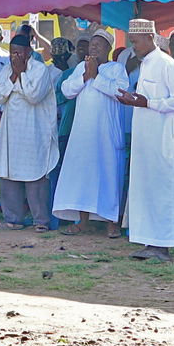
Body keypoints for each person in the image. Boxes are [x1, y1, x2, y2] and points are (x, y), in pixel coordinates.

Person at [115, 19, 174, 262]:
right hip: (147, 141)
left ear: (150, 37)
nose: (133, 47)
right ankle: (150, 242)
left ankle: (163, 246)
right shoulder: (146, 63)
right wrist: (134, 99)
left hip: (165, 142)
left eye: (136, 42)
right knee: (147, 189)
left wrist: (147, 103)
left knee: (163, 190)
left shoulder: (166, 63)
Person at [53, 30, 128, 237]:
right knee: (84, 175)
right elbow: (67, 90)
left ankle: (112, 222)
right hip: (83, 133)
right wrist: (86, 75)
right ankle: (83, 221)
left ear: (109, 49)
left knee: (109, 175)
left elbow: (120, 92)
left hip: (107, 135)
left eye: (99, 44)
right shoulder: (80, 68)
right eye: (92, 44)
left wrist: (97, 76)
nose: (93, 48)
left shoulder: (116, 68)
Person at [0, 34, 58, 232]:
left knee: (35, 175)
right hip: (11, 132)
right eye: (12, 53)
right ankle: (13, 219)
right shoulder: (6, 70)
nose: (14, 57)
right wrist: (14, 76)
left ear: (29, 52)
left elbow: (34, 96)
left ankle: (41, 222)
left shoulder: (40, 70)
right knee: (8, 173)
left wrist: (21, 75)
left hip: (34, 131)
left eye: (19, 53)